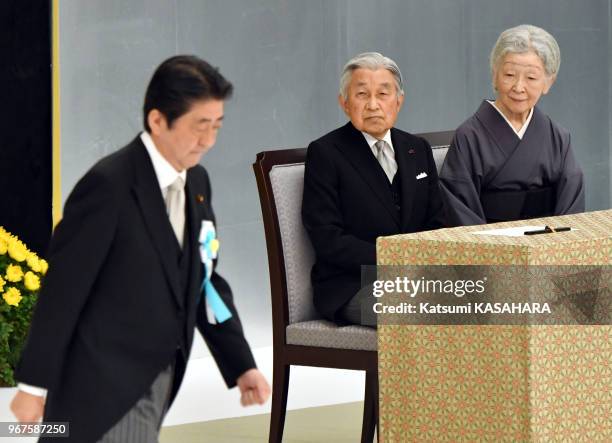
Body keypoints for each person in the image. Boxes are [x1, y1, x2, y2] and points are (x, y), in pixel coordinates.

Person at [10, 55, 270, 442]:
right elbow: (63, 290)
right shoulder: (108, 186)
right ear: (157, 120)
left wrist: (240, 362)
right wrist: (33, 387)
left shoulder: (196, 182)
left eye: (216, 126)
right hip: (101, 386)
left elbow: (203, 281)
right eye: (199, 126)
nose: (209, 140)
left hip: (157, 378)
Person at [302, 52, 445, 326]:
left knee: (490, 298)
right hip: (352, 285)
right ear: (344, 103)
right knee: (425, 311)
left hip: (418, 279)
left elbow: (437, 223)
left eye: (383, 93)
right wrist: (397, 262)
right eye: (361, 94)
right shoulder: (326, 153)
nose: (373, 105)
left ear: (399, 101)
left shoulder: (417, 149)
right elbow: (327, 238)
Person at [439, 24, 585, 225]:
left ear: (548, 83)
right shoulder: (469, 136)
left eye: (531, 77)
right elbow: (460, 208)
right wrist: (495, 251)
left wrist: (552, 248)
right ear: (494, 75)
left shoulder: (558, 137)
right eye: (509, 75)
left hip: (546, 247)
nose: (518, 87)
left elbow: (571, 208)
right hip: (489, 248)